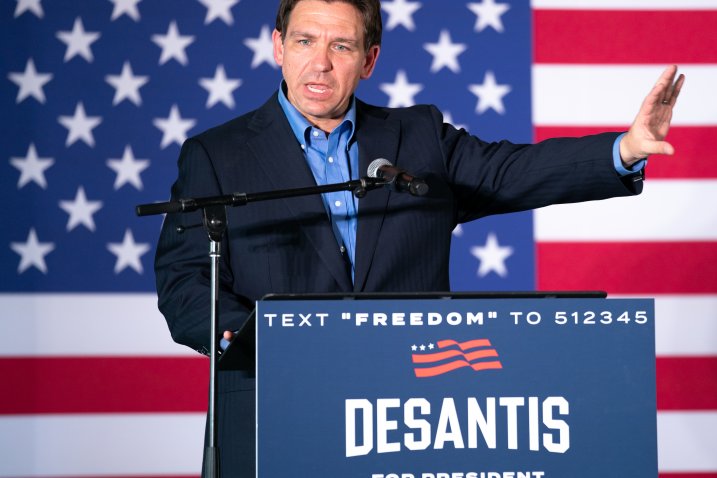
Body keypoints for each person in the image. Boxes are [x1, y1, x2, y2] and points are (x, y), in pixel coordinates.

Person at [154, 0, 684, 475]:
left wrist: (625, 148)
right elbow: (183, 277)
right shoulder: (216, 154)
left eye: (341, 45)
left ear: (369, 60)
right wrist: (244, 335)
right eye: (304, 41)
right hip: (274, 405)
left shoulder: (418, 137)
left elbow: (511, 171)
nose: (320, 63)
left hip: (404, 414)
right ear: (278, 46)